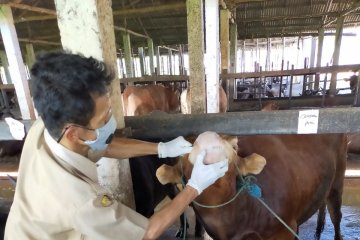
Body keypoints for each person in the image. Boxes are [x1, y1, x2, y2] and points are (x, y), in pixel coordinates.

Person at [5, 52, 229, 239]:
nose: (111, 123)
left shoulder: (45, 126)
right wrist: (194, 187)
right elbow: (147, 232)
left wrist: (160, 148)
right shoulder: (82, 202)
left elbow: (101, 146)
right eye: (104, 120)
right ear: (74, 133)